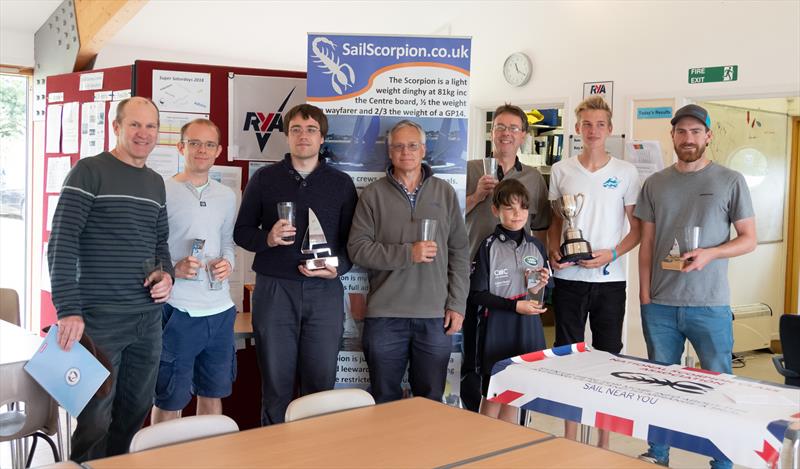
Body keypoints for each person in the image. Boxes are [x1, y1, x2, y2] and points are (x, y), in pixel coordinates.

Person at [47, 96, 173, 461]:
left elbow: (159, 244)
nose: (143, 133)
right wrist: (68, 309)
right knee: (94, 421)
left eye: (150, 126)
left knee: (134, 413)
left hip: (147, 321)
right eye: (134, 124)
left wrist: (165, 276)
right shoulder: (89, 171)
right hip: (98, 320)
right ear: (116, 127)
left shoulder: (155, 183)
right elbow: (62, 240)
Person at [635, 104, 756, 469]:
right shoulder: (654, 184)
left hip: (709, 304)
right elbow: (648, 244)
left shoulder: (730, 180)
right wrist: (644, 294)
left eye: (695, 132)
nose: (688, 139)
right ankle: (658, 454)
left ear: (708, 136)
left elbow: (748, 238)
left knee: (719, 387)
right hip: (660, 304)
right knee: (660, 386)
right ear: (672, 136)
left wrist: (712, 254)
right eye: (681, 132)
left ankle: (722, 460)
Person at [233, 104, 358, 425]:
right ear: (287, 136)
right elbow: (242, 233)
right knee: (276, 386)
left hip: (325, 292)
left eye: (311, 129)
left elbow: (352, 243)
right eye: (297, 130)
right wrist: (268, 239)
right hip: (275, 291)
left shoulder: (341, 183)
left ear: (322, 137)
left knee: (320, 386)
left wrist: (338, 268)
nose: (304, 136)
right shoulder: (264, 179)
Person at [348, 119, 469, 404]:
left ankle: (427, 451)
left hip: (434, 316)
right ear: (389, 152)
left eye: (412, 146)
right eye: (399, 147)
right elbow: (357, 249)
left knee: (430, 400)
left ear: (423, 149)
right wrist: (407, 254)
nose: (406, 152)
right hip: (385, 317)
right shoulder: (373, 195)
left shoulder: (444, 192)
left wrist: (457, 304)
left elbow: (460, 252)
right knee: (384, 399)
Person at [547, 96, 641, 448]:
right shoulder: (562, 170)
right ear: (577, 128)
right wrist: (554, 250)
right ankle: (570, 436)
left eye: (600, 124)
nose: (593, 131)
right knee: (568, 355)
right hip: (570, 279)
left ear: (610, 129)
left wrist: (612, 253)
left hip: (610, 280)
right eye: (587, 124)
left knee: (607, 357)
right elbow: (557, 221)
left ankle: (604, 443)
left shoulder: (626, 172)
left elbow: (637, 230)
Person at [462, 103, 551, 412]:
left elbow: (539, 231)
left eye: (514, 128)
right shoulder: (470, 168)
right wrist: (475, 196)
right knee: (478, 368)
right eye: (500, 126)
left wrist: (538, 277)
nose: (506, 134)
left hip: (516, 287)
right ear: (491, 131)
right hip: (475, 283)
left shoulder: (534, 178)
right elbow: (447, 220)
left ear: (524, 136)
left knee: (518, 379)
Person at [149, 119, 237, 424]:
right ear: (181, 146)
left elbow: (227, 243)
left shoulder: (227, 195)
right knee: (169, 398)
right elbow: (149, 248)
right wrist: (174, 268)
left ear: (218, 151)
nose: (202, 150)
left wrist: (228, 264)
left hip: (220, 311)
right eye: (195, 143)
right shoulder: (161, 190)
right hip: (178, 311)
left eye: (209, 144)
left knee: (212, 397)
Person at [468, 178, 550, 423]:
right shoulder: (487, 246)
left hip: (527, 328)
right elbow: (477, 294)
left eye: (523, 208)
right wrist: (514, 306)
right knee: (493, 393)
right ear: (496, 211)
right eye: (509, 208)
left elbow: (542, 292)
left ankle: (507, 453)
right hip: (497, 327)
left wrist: (542, 283)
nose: (517, 214)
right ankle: (484, 449)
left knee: (516, 393)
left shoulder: (536, 246)